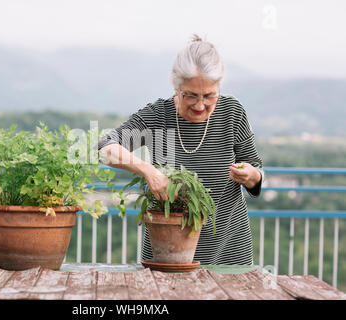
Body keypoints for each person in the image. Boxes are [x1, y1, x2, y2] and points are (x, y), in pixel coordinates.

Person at [97, 34, 264, 265]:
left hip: (228, 253)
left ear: (219, 87)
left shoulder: (232, 112)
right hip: (167, 254)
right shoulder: (158, 115)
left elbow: (255, 168)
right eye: (190, 95)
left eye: (209, 96)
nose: (200, 105)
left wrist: (251, 175)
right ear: (176, 87)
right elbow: (105, 147)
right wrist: (150, 172)